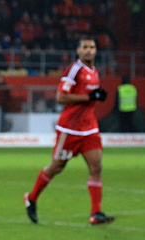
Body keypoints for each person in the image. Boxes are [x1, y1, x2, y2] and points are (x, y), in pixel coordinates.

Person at [24, 37, 114, 225]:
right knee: (57, 166)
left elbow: (88, 96)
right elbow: (61, 97)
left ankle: (96, 213)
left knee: (96, 167)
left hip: (89, 128)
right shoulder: (74, 70)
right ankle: (31, 199)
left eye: (92, 47)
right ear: (78, 51)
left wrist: (96, 96)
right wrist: (88, 96)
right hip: (70, 129)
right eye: (85, 47)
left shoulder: (94, 71)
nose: (89, 50)